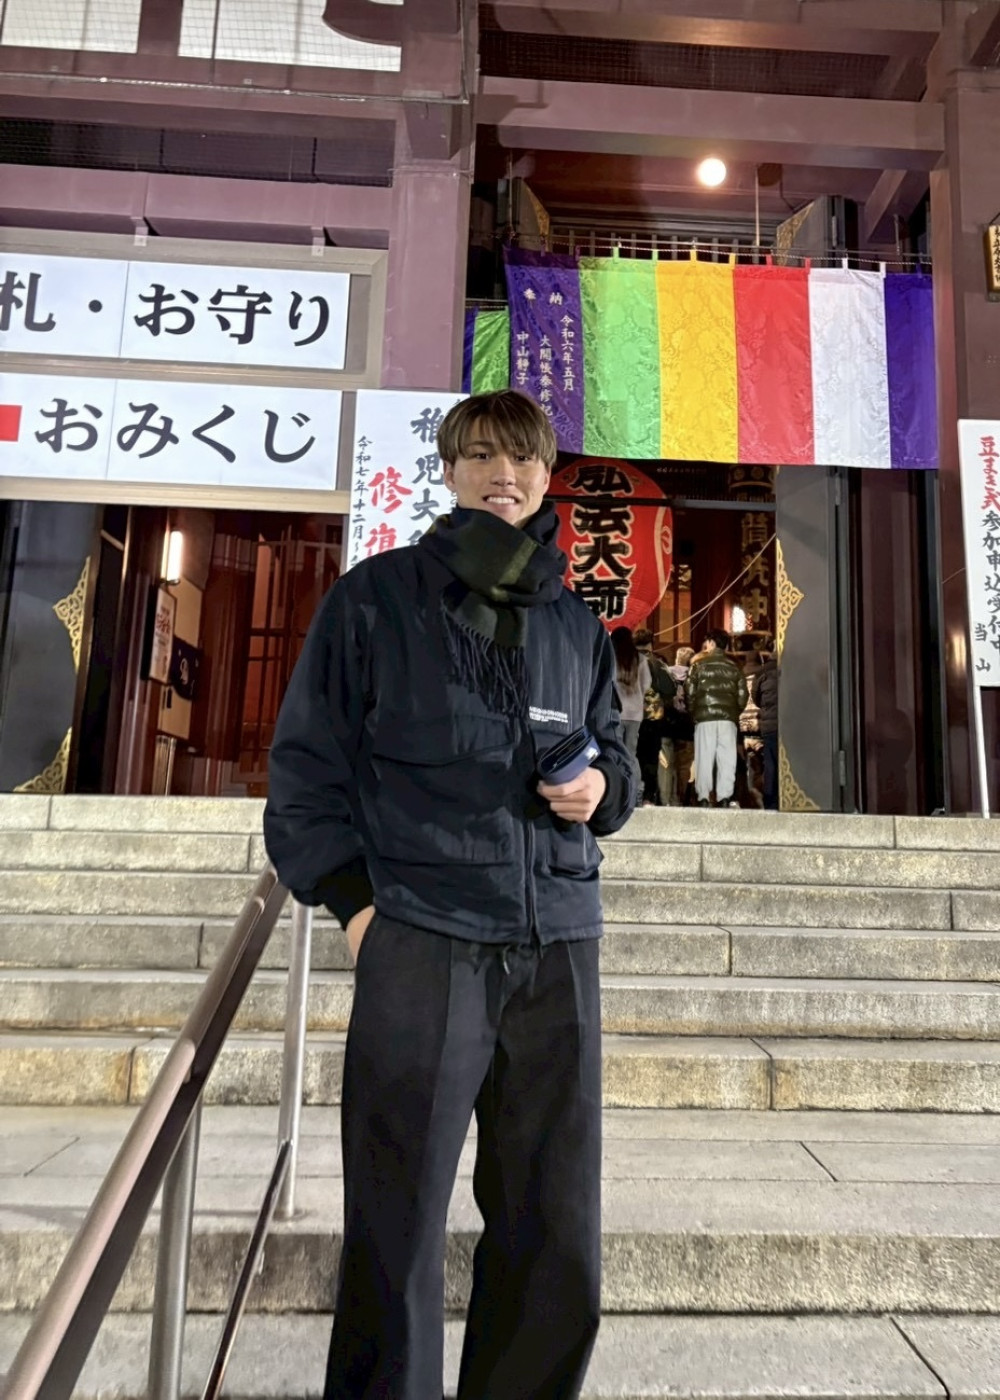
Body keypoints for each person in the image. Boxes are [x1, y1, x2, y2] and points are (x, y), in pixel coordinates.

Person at [264, 388, 636, 1400]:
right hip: (423, 936)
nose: (500, 474)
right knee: (398, 1222)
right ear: (450, 471)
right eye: (479, 455)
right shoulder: (375, 600)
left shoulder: (575, 623)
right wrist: (357, 907)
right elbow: (306, 773)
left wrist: (601, 790)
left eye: (520, 457)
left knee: (556, 1225)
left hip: (558, 940)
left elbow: (619, 763)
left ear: (547, 476)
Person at [685, 628, 748, 808]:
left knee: (704, 757)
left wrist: (694, 711)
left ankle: (703, 797)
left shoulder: (698, 665)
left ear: (711, 643)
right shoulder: (734, 667)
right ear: (726, 646)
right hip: (728, 719)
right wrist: (734, 711)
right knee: (727, 758)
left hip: (704, 717)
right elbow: (743, 695)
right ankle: (724, 797)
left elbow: (690, 692)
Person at [634, 627, 676, 805]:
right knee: (650, 758)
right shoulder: (657, 663)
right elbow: (670, 689)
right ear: (651, 644)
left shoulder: (625, 661)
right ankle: (648, 797)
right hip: (653, 717)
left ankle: (631, 793)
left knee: (632, 756)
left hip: (630, 716)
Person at [609, 625, 651, 758]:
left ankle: (617, 772)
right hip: (635, 712)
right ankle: (630, 772)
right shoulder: (641, 659)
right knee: (631, 752)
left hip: (615, 711)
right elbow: (646, 684)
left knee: (615, 750)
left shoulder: (611, 659)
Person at [662, 645, 696, 806]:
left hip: (668, 722)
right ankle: (683, 798)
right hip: (686, 724)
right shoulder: (693, 675)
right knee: (684, 765)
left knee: (668, 764)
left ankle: (667, 798)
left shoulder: (667, 672)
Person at [755, 648, 780, 810]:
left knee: (770, 763)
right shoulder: (793, 668)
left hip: (769, 724)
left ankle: (770, 800)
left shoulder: (763, 672)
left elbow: (755, 696)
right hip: (789, 723)